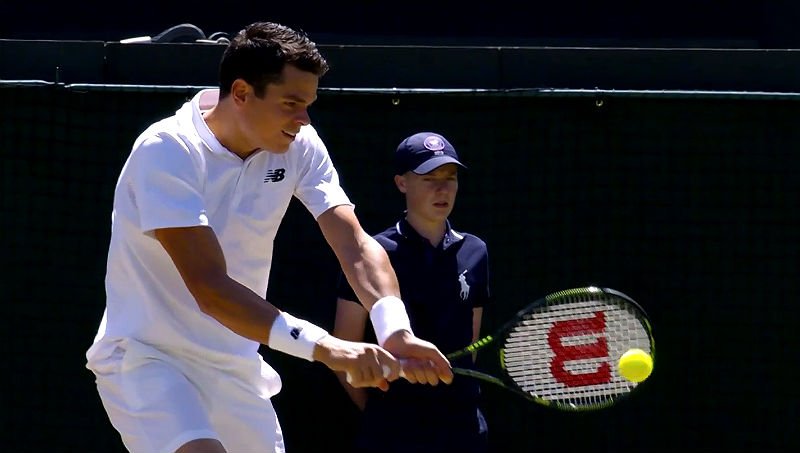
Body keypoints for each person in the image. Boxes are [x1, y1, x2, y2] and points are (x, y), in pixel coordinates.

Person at [84, 22, 453, 453]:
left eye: (309, 104)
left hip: (234, 366)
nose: (304, 119)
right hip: (148, 359)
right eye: (292, 104)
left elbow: (352, 244)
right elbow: (211, 289)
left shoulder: (302, 145)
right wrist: (329, 348)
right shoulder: (167, 151)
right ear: (241, 93)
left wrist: (395, 330)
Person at [333, 132, 491, 453]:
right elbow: (343, 351)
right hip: (392, 433)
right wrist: (385, 415)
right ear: (401, 183)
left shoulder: (476, 251)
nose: (442, 188)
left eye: (450, 177)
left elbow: (470, 344)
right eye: (429, 178)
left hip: (463, 431)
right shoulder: (371, 253)